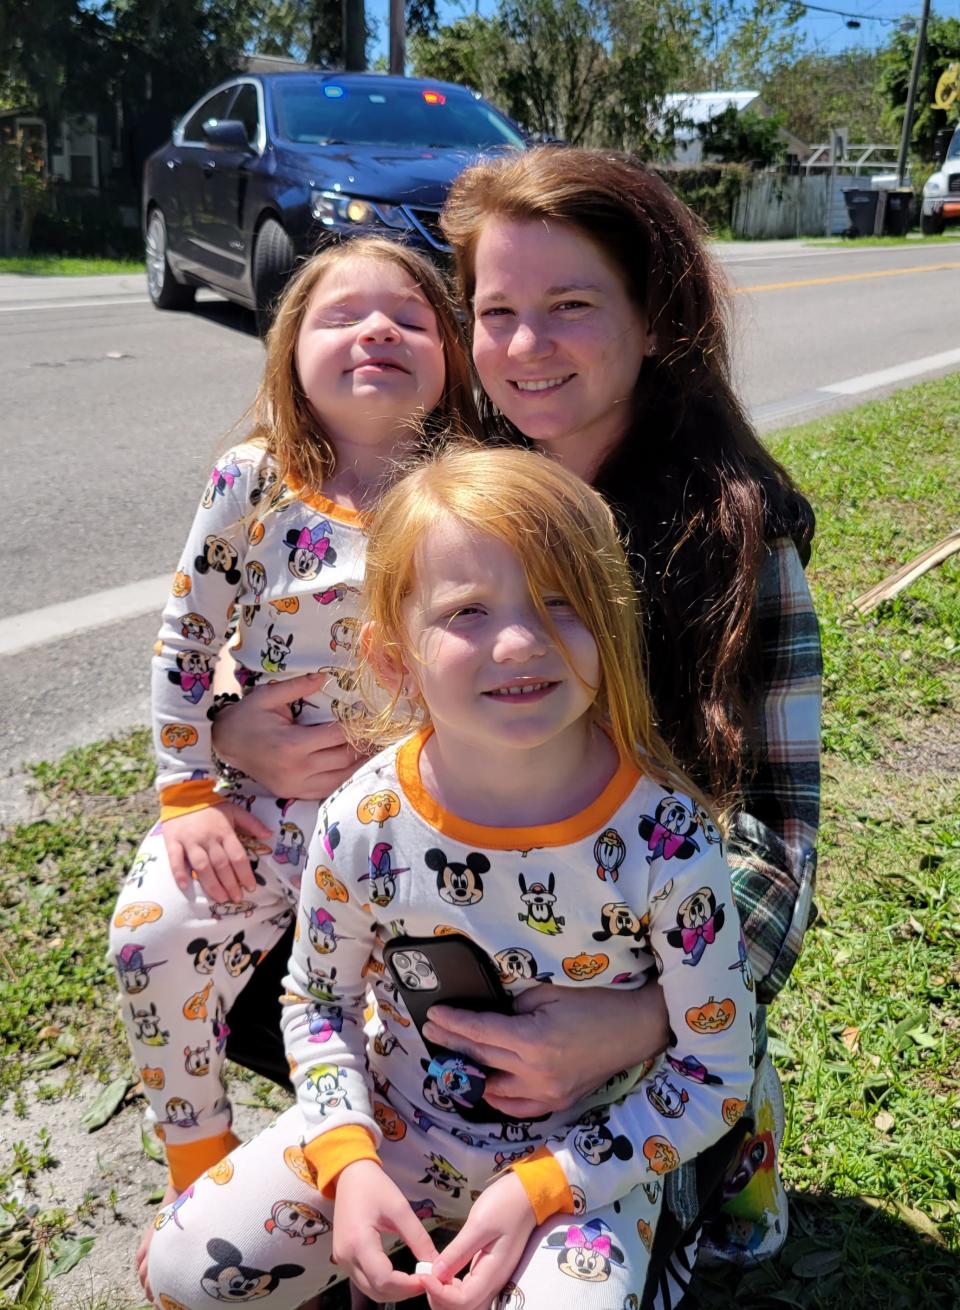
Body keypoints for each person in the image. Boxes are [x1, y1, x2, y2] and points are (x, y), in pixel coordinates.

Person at [212, 147, 822, 1273]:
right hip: (455, 920)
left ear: (656, 321)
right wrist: (223, 725)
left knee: (681, 1175)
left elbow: (783, 839)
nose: (527, 347)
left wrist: (644, 1018)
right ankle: (384, 1138)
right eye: (497, 311)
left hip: (638, 959)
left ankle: (709, 1144)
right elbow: (302, 636)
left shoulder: (739, 540)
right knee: (230, 910)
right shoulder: (436, 482)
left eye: (572, 306)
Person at [146, 443, 756, 1310]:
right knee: (181, 1272)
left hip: (586, 1156)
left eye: (561, 602)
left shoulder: (667, 840)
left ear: (609, 625)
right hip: (395, 1126)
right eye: (467, 610)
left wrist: (544, 1187)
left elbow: (715, 1068)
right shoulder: (362, 820)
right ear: (394, 659)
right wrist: (348, 1159)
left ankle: (673, 1222)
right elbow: (316, 1003)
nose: (520, 641)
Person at [107, 235, 479, 1291]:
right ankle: (201, 1161)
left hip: (410, 830)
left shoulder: (469, 488)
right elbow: (183, 645)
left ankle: (366, 1205)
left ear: (449, 353)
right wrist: (187, 792)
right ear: (288, 352)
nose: (378, 330)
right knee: (154, 932)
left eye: (410, 318)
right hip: (255, 805)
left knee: (393, 1017)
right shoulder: (252, 481)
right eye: (341, 316)